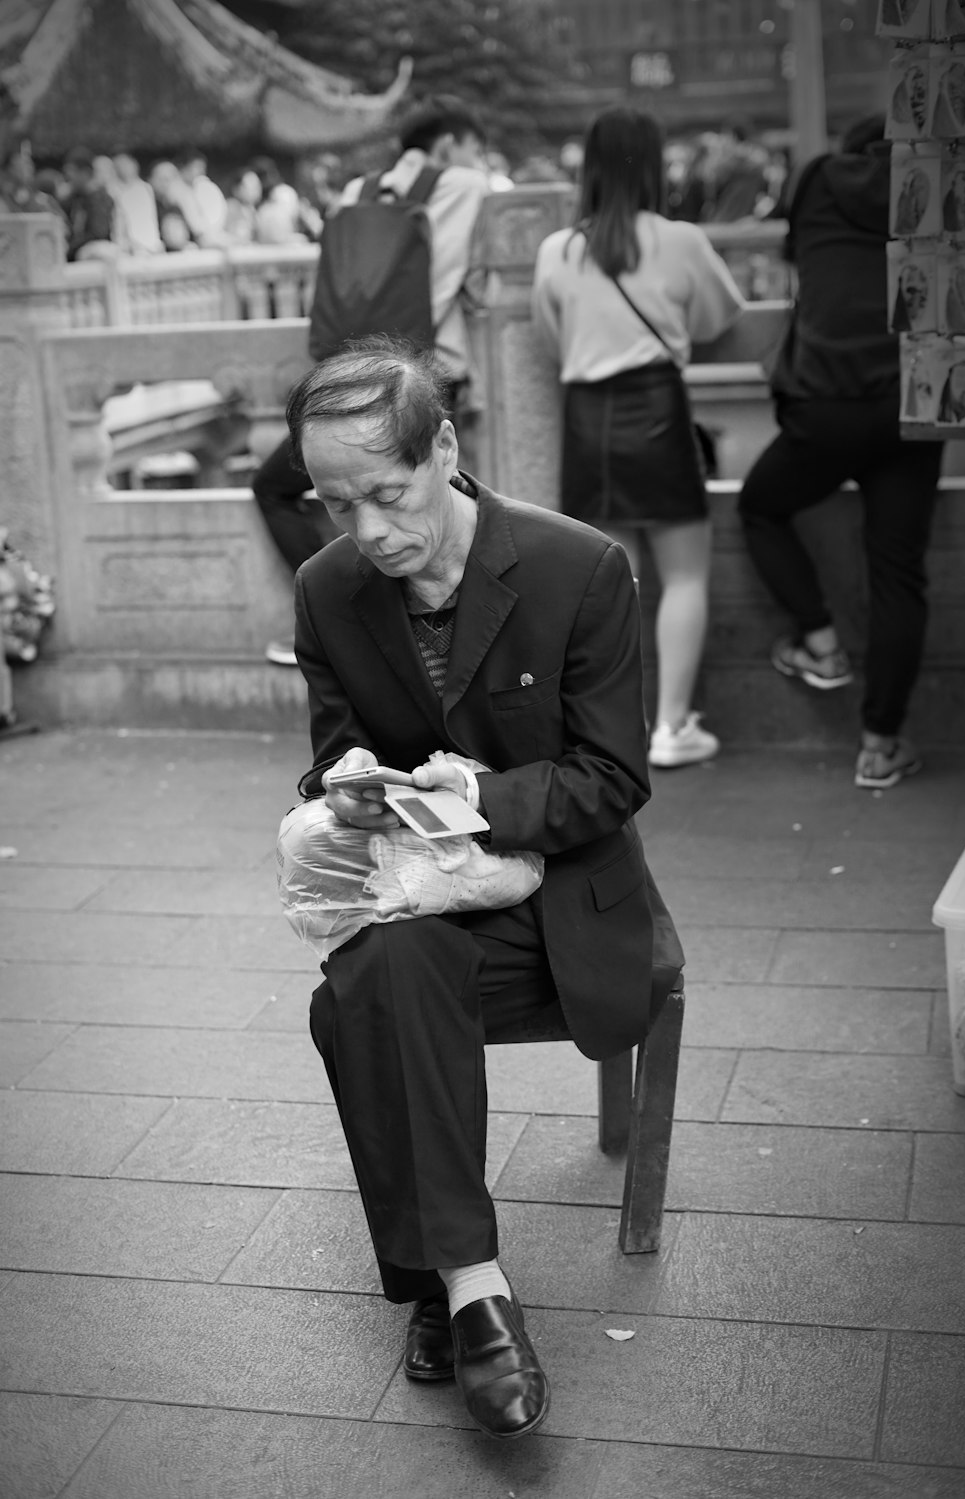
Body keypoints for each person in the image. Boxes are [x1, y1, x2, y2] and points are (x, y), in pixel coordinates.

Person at [285, 334, 683, 1441]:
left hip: (558, 902)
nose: (367, 531)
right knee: (384, 959)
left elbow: (613, 777)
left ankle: (427, 1278)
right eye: (334, 504)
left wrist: (473, 797)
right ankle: (471, 1287)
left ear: (445, 447)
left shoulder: (578, 566)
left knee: (356, 993)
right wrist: (351, 785)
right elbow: (331, 753)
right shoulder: (329, 590)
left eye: (388, 491)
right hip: (421, 891)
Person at [531, 106, 745, 769]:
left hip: (588, 420)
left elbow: (549, 338)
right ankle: (673, 727)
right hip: (657, 410)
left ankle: (613, 727)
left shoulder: (559, 250)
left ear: (590, 168)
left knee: (606, 582)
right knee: (684, 574)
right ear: (653, 166)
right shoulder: (681, 241)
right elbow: (719, 317)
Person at [737, 115, 945, 790]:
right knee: (897, 572)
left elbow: (801, 260)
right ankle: (880, 744)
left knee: (761, 506)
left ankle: (820, 642)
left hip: (822, 403)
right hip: (909, 403)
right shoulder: (933, 185)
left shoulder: (821, 177)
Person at [252, 97, 491, 666]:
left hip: (350, 381)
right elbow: (482, 286)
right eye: (475, 148)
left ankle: (352, 622)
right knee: (440, 502)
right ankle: (434, 635)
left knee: (278, 486)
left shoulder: (355, 193)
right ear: (451, 144)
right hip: (426, 379)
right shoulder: (469, 185)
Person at [61, 146, 117, 261]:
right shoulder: (74, 199)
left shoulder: (100, 199)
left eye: (71, 174)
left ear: (85, 173)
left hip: (97, 256)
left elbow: (98, 233)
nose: (68, 180)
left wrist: (70, 249)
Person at [111, 153, 163, 254]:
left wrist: (156, 241)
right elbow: (118, 222)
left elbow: (152, 218)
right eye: (120, 166)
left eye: (127, 165)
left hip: (151, 244)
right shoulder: (115, 192)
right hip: (129, 247)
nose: (124, 169)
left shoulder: (146, 188)